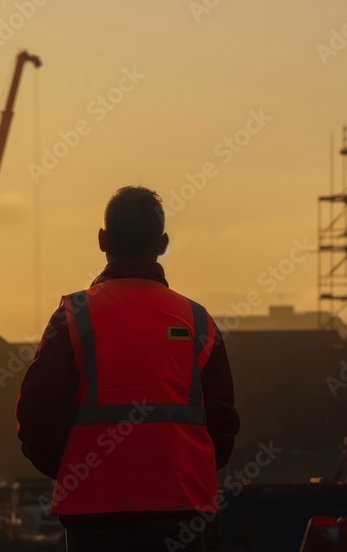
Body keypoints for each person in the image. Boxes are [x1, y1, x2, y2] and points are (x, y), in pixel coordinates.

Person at [16, 186, 240, 551]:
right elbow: (222, 422)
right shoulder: (198, 321)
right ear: (163, 243)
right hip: (180, 510)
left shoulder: (74, 316)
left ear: (103, 240)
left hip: (95, 515)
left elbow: (36, 416)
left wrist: (77, 470)